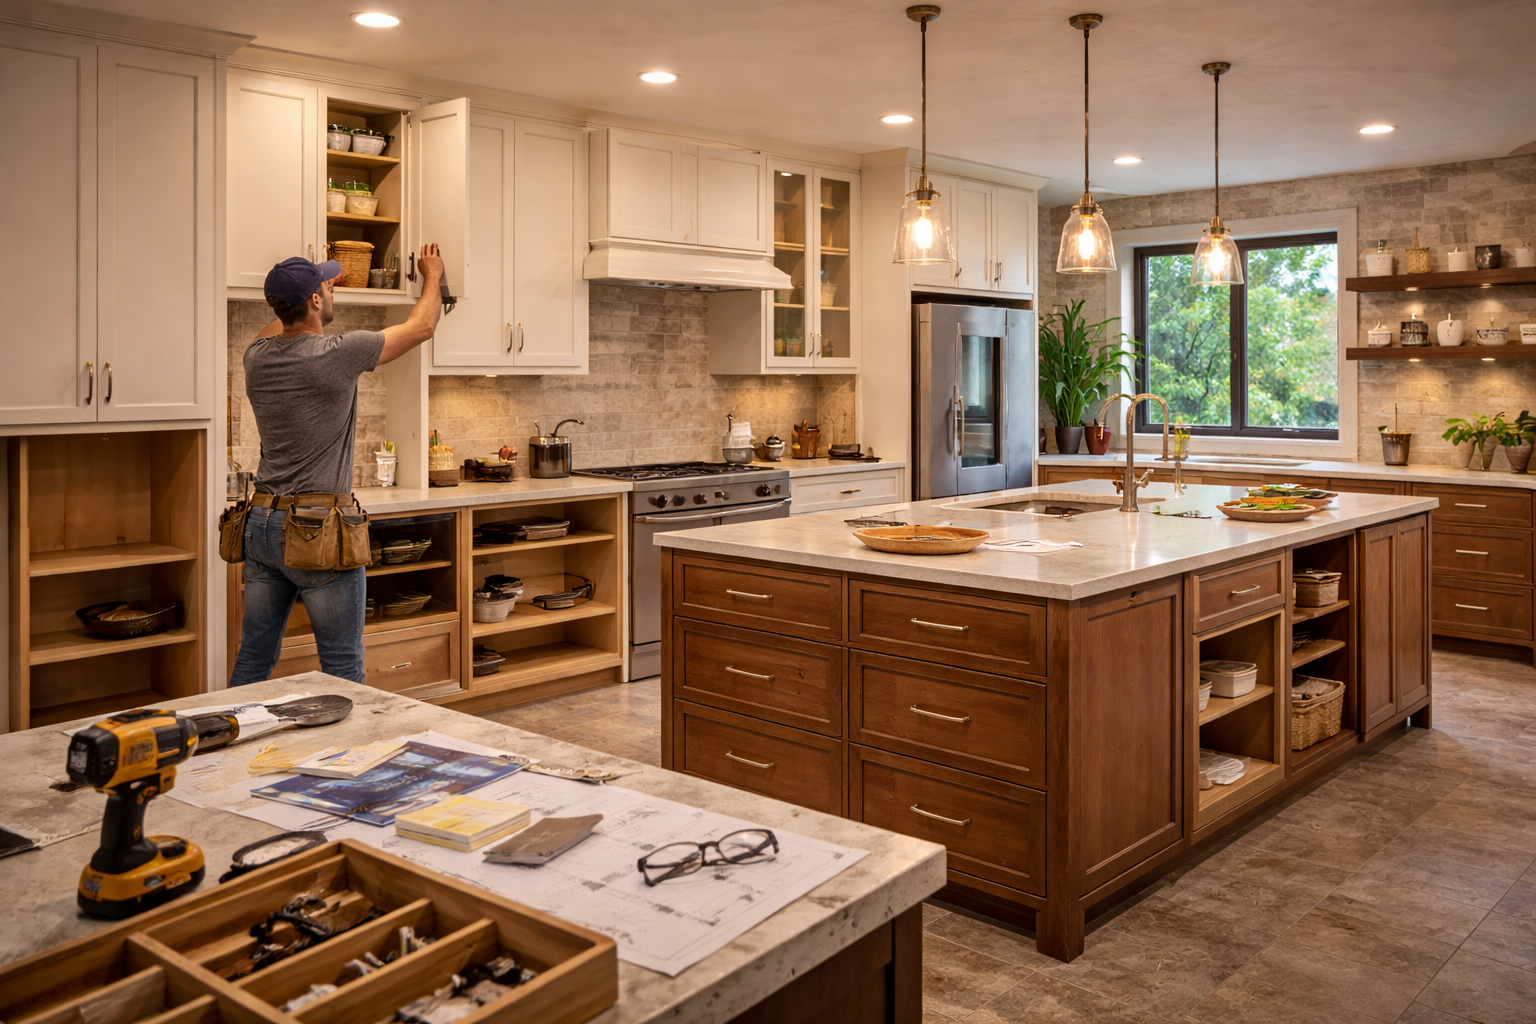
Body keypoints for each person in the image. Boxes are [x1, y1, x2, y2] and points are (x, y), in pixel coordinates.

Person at [229, 244, 445, 685]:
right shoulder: (337, 353)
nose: (331, 291)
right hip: (317, 528)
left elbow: (280, 318)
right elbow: (422, 326)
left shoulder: (257, 357)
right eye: (325, 288)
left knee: (254, 656)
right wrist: (432, 275)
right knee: (341, 664)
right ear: (313, 301)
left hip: (262, 524)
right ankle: (346, 755)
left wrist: (308, 282)